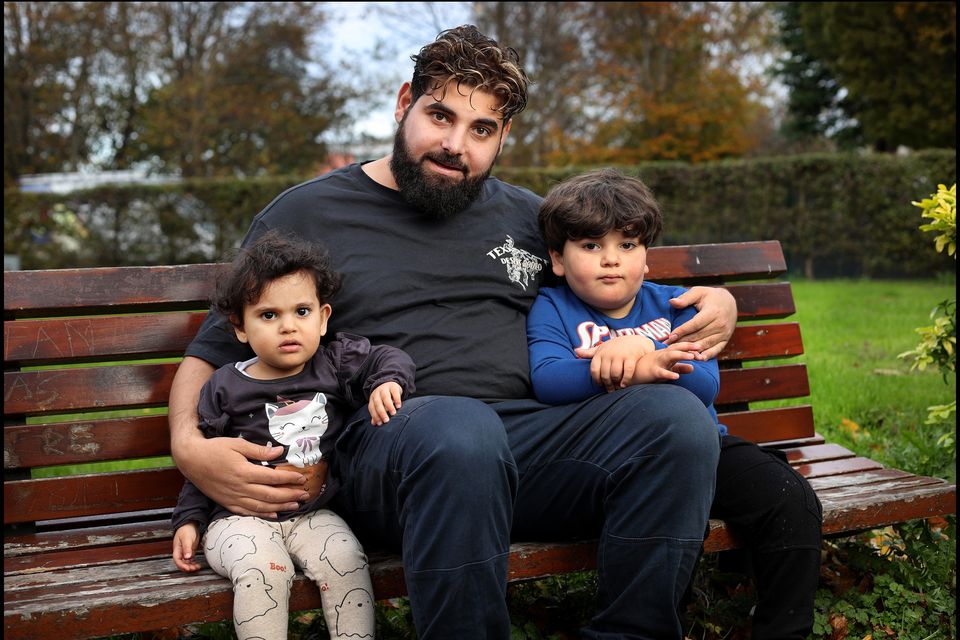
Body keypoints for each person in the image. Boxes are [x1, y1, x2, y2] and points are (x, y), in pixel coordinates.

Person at [168, 25, 739, 639]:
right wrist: (189, 448)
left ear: (503, 137)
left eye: (481, 129)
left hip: (527, 443)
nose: (454, 145)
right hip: (389, 449)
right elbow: (213, 351)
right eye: (440, 115)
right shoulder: (308, 214)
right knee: (461, 431)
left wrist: (721, 304)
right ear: (403, 101)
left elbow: (620, 282)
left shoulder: (529, 218)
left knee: (674, 421)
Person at [528, 169, 823, 639]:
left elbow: (703, 385)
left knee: (790, 500)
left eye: (627, 245)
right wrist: (620, 365)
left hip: (705, 446)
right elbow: (548, 379)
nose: (610, 260)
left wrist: (639, 358)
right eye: (590, 246)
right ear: (558, 260)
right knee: (670, 512)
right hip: (617, 462)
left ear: (646, 258)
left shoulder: (677, 304)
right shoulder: (553, 306)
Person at [170, 231, 416, 640]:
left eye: (301, 312)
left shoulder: (334, 363)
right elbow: (203, 461)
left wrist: (386, 382)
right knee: (264, 569)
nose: (288, 327)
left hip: (314, 513)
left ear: (322, 318)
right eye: (269, 315)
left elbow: (388, 357)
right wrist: (190, 519)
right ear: (241, 328)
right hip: (238, 519)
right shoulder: (223, 387)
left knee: (347, 559)